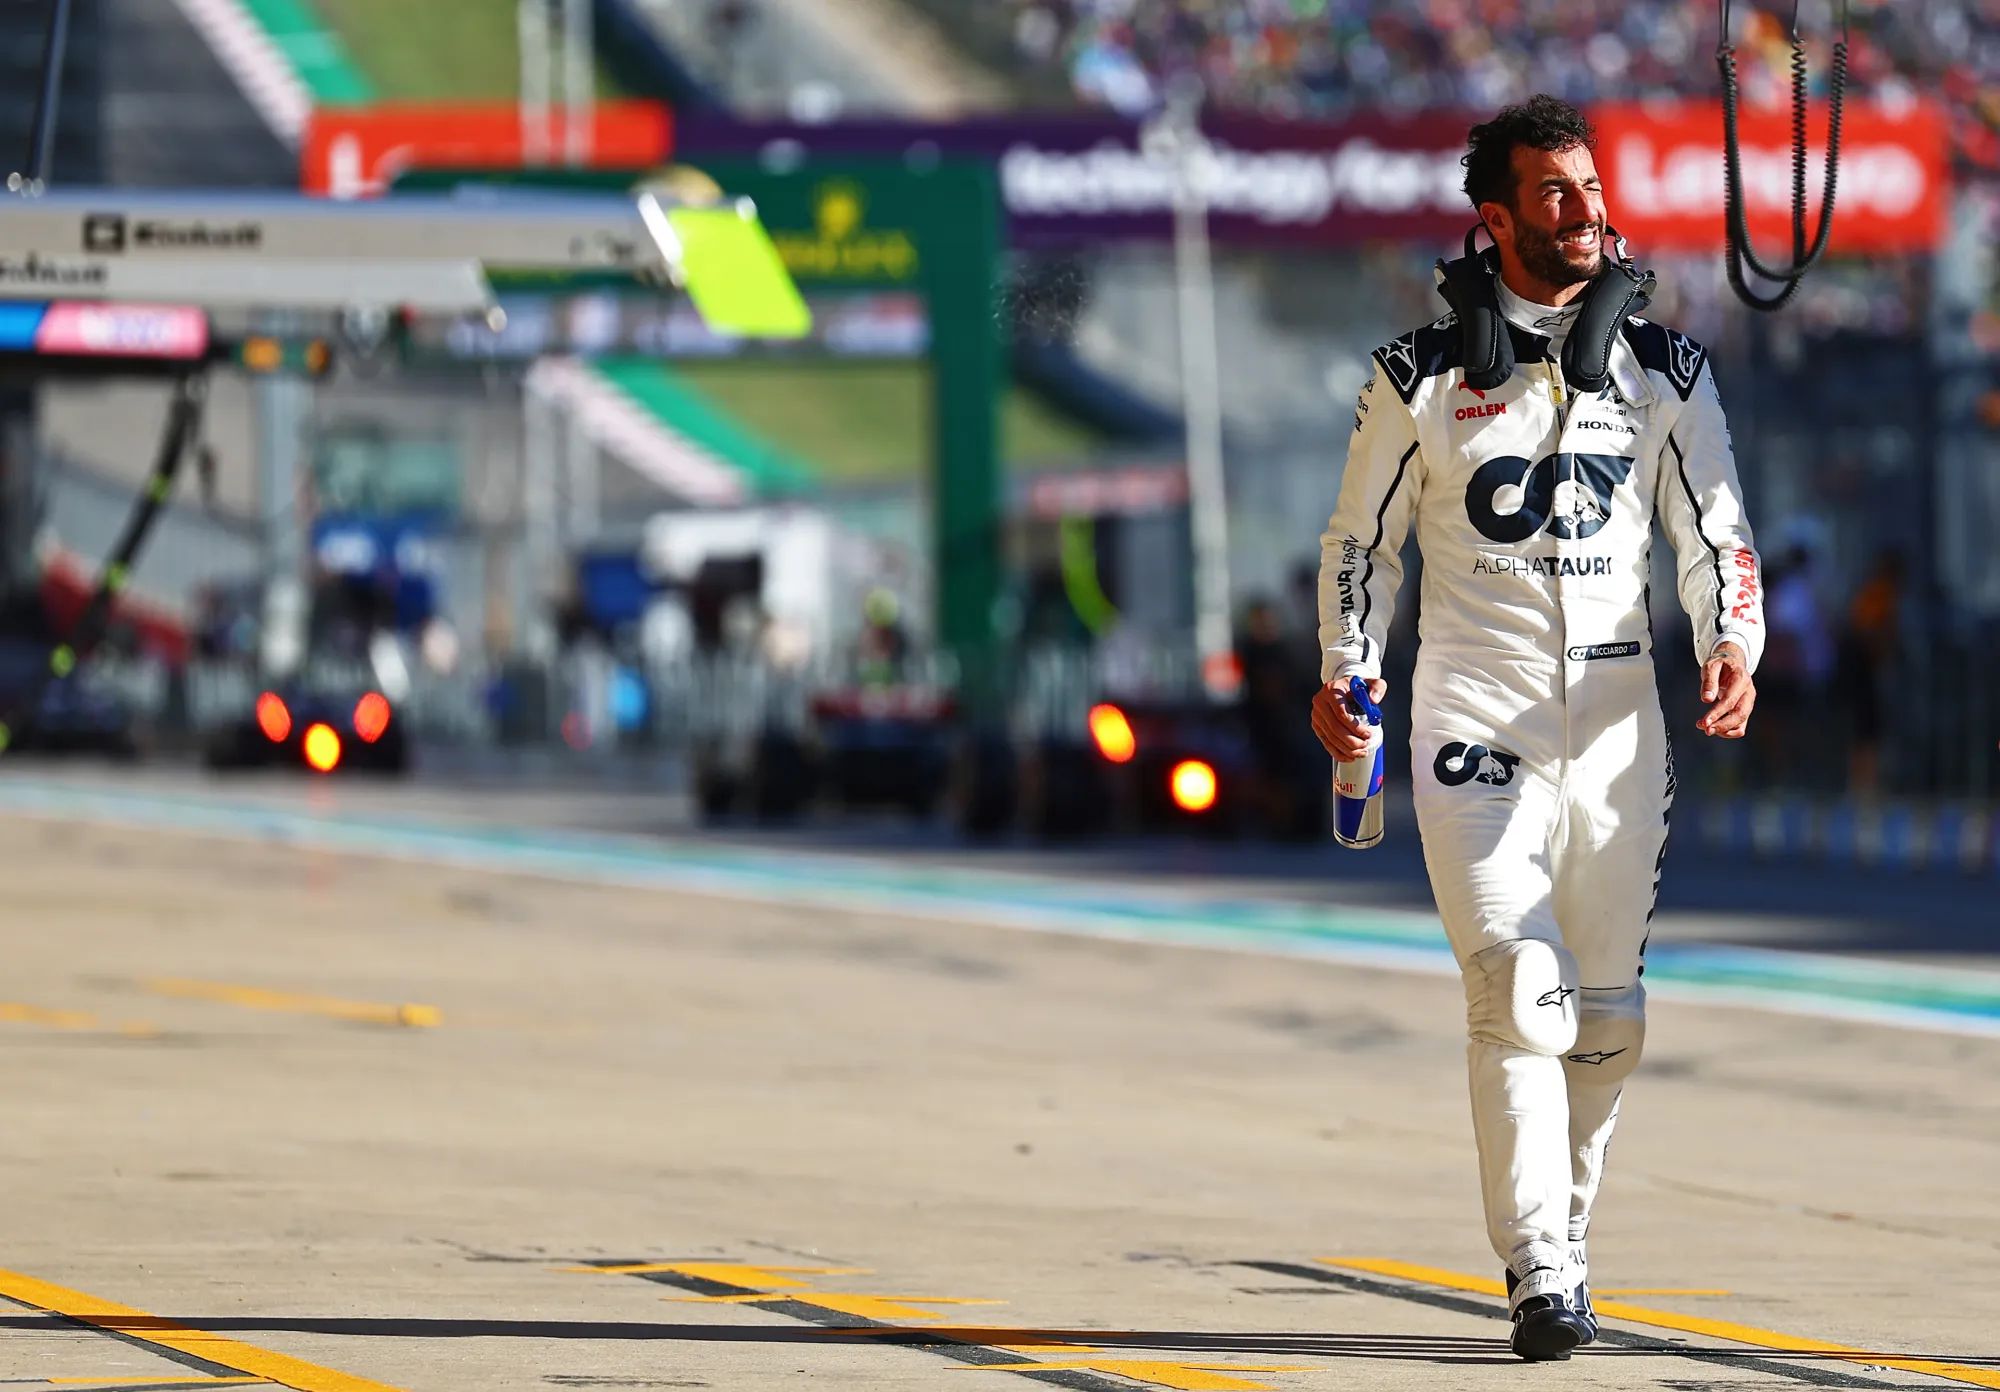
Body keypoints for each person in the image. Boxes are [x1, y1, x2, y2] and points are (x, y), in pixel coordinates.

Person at [1310, 95, 1763, 1362]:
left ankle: (1564, 1231)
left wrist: (1733, 640)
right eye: (1552, 194)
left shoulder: (1666, 370)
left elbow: (1714, 535)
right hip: (1473, 702)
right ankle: (1538, 1269)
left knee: (1605, 1017)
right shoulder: (1414, 375)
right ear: (1494, 218)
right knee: (1516, 980)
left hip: (1621, 723)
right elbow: (1358, 545)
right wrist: (1349, 673)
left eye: (1588, 186)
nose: (1582, 210)